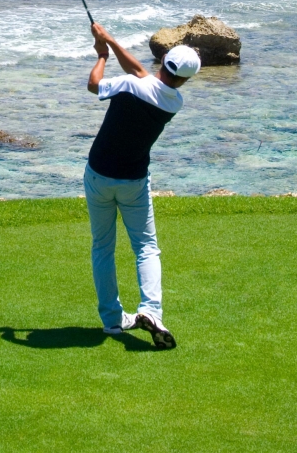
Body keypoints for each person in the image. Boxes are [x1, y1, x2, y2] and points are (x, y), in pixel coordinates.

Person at [83, 22, 199, 350]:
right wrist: (110, 42)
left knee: (103, 246)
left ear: (162, 62)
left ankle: (112, 320)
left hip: (98, 175)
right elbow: (138, 71)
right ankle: (151, 312)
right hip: (134, 181)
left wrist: (102, 55)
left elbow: (94, 85)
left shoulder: (130, 86)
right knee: (146, 247)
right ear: (186, 79)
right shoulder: (173, 102)